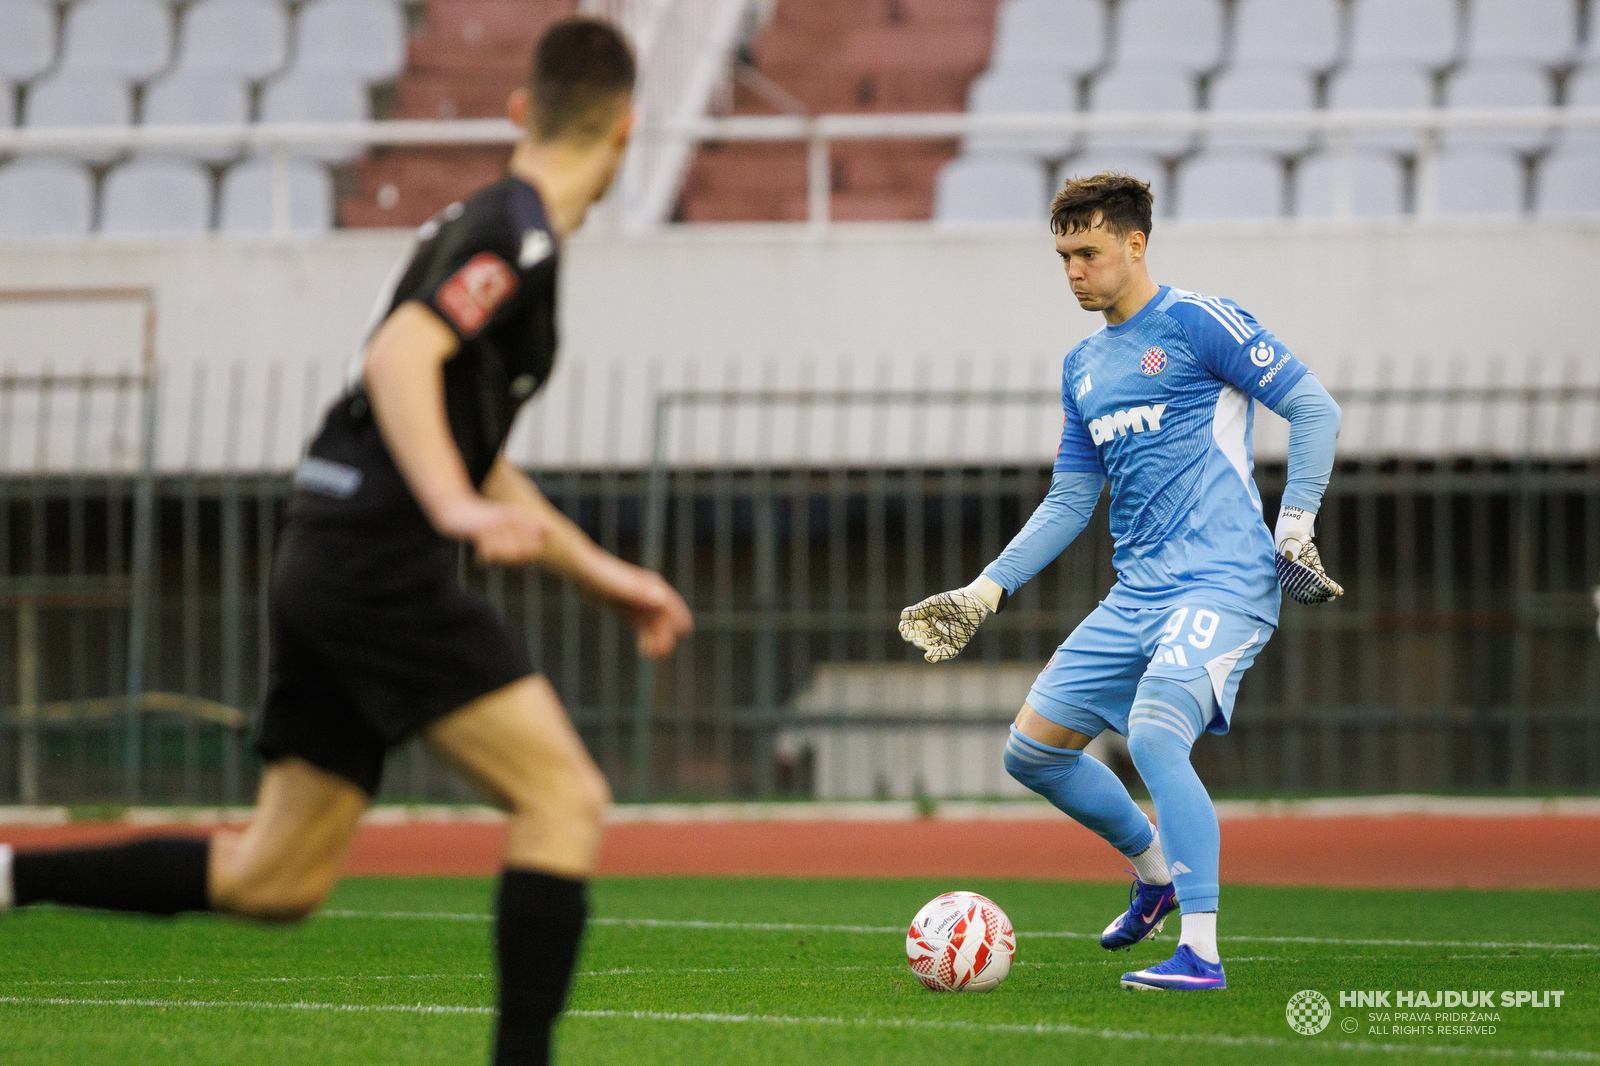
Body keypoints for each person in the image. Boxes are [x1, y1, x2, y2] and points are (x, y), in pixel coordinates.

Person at [0, 18, 690, 1063]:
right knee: (564, 797)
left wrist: (603, 574)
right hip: (377, 564)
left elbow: (469, 450)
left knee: (273, 878)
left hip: (328, 549)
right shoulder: (515, 234)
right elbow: (399, 360)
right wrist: (451, 511)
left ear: (521, 111)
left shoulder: (482, 225)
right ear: (627, 128)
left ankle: (12, 876)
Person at [899, 171, 1341, 991]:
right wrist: (984, 591)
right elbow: (1071, 499)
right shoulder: (1083, 366)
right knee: (1033, 753)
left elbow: (1316, 409)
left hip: (1223, 581)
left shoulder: (1199, 323)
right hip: (1138, 594)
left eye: (1089, 253)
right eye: (1063, 256)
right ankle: (1155, 873)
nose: (1074, 271)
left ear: (1136, 245)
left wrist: (1295, 529)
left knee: (1154, 736)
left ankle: (1201, 953)